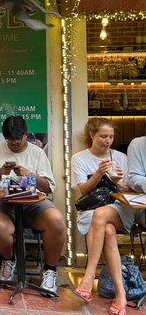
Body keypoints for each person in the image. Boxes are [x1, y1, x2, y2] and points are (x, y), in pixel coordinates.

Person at [0, 115, 65, 295]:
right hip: (2, 203)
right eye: (9, 140)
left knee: (56, 220)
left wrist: (29, 175)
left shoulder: (37, 152)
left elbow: (49, 187)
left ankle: (50, 270)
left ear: (26, 134)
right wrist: (0, 172)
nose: (13, 143)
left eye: (17, 139)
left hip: (33, 203)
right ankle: (8, 260)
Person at [72, 118, 131, 315]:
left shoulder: (121, 157)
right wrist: (98, 174)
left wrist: (120, 181)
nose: (108, 141)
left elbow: (130, 191)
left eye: (111, 137)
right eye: (103, 136)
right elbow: (83, 191)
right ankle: (120, 294)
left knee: (102, 215)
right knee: (107, 230)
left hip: (118, 208)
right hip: (93, 210)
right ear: (92, 136)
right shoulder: (80, 158)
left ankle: (88, 278)